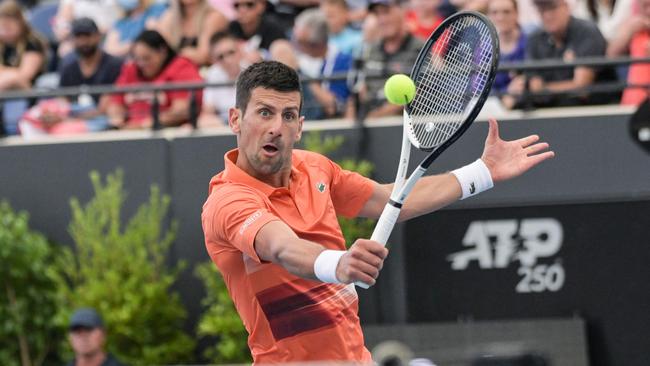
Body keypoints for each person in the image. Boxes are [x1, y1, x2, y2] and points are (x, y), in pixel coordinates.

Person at [201, 60, 554, 364]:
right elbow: (282, 247)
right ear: (235, 119)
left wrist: (481, 172)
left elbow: (390, 201)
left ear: (300, 126)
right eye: (264, 112)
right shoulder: (228, 201)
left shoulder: (315, 168)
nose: (276, 126)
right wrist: (338, 264)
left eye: (288, 115)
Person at [19, 18, 124, 136]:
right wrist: (56, 114)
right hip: (72, 116)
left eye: (87, 35)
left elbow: (105, 108)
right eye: (79, 36)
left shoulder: (113, 65)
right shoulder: (68, 64)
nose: (83, 41)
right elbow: (63, 100)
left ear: (98, 36)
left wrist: (68, 119)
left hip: (100, 120)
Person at [506, 0, 618, 109]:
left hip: (592, 110)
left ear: (566, 7)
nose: (547, 15)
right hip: (548, 109)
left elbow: (581, 88)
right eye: (542, 9)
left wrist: (544, 88)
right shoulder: (534, 39)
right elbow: (535, 86)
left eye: (553, 8)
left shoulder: (587, 32)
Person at [107, 30, 203, 129]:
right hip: (129, 132)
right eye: (137, 59)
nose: (141, 64)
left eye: (147, 58)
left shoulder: (181, 67)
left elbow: (182, 110)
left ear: (162, 51)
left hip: (167, 132)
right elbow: (115, 103)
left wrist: (145, 125)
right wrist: (117, 120)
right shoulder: (131, 69)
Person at [358, 0, 424, 119]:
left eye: (386, 12)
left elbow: (422, 89)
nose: (382, 20)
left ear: (402, 11)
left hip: (407, 124)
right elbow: (361, 89)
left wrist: (379, 115)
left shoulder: (421, 48)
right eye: (377, 14)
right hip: (369, 125)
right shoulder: (371, 50)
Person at [291, 8, 354, 119]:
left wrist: (300, 74)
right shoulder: (294, 55)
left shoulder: (342, 62)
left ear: (317, 44)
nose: (296, 45)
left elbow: (333, 107)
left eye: (301, 42)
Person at [0, 0, 47, 136]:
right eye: (2, 26)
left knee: (12, 79)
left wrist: (6, 73)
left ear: (20, 22)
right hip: (4, 90)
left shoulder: (32, 43)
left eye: (9, 25)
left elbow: (24, 75)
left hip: (27, 91)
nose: (4, 30)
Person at [154, 0, 228, 66]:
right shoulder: (170, 16)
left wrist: (176, 54)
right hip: (178, 74)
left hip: (206, 74)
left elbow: (203, 56)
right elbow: (160, 53)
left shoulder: (214, 17)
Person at [199, 31, 247, 127]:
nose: (227, 60)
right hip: (224, 123)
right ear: (214, 60)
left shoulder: (252, 70)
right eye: (221, 57)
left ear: (240, 51)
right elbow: (207, 112)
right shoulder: (213, 74)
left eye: (231, 52)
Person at [607, 0, 650, 106]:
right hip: (636, 101)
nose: (649, 10)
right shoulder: (631, 25)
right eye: (645, 6)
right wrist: (628, 32)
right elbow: (610, 55)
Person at [487, 0, 527, 105]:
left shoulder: (530, 42)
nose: (500, 17)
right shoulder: (483, 49)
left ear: (517, 13)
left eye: (506, 12)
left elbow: (529, 81)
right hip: (492, 108)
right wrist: (506, 94)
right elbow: (478, 87)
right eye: (495, 12)